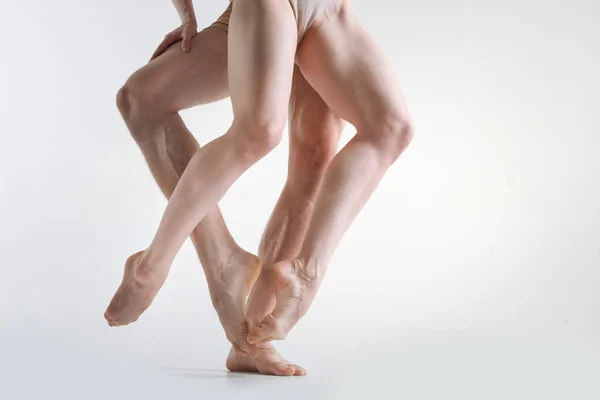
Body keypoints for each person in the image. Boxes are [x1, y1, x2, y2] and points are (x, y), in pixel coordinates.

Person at [106, 0, 414, 368]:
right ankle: (151, 266)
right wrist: (186, 15)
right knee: (258, 129)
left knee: (380, 132)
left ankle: (259, 331)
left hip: (327, 10)